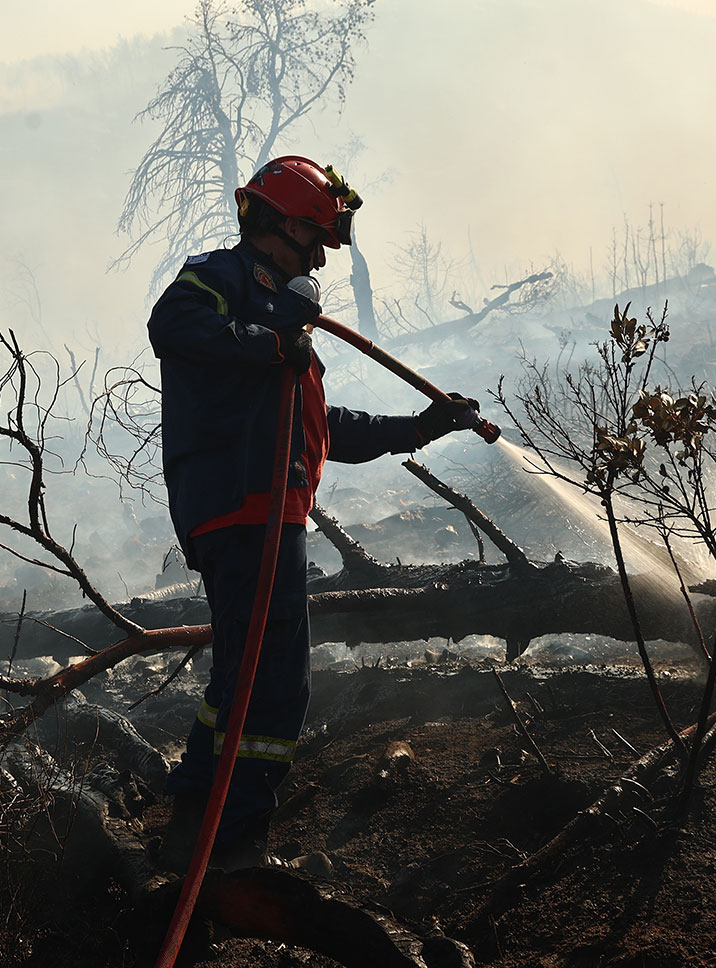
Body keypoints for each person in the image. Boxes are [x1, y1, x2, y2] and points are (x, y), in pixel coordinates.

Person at [146, 155, 479, 870]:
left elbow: (328, 430)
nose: (321, 260)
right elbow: (171, 326)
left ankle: (192, 828)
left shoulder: (284, 336)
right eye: (314, 241)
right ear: (281, 226)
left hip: (262, 511)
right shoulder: (222, 278)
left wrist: (422, 427)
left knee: (241, 677)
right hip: (245, 508)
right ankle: (234, 847)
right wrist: (271, 341)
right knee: (275, 682)